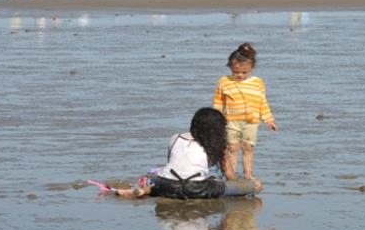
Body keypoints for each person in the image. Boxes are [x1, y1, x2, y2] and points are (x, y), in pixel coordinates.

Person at [116, 108, 242, 199]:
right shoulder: (218, 145)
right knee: (243, 186)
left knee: (161, 180)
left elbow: (172, 164)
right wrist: (240, 182)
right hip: (196, 189)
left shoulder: (176, 137)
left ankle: (146, 190)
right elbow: (230, 176)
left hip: (166, 185)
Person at [212, 43, 278, 185]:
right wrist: (216, 119)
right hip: (230, 121)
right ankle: (231, 175)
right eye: (236, 72)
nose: (240, 75)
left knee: (248, 147)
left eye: (244, 72)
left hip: (251, 121)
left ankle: (248, 174)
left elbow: (262, 102)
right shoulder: (224, 82)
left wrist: (269, 119)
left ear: (251, 68)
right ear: (230, 67)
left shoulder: (257, 83)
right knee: (232, 148)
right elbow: (218, 103)